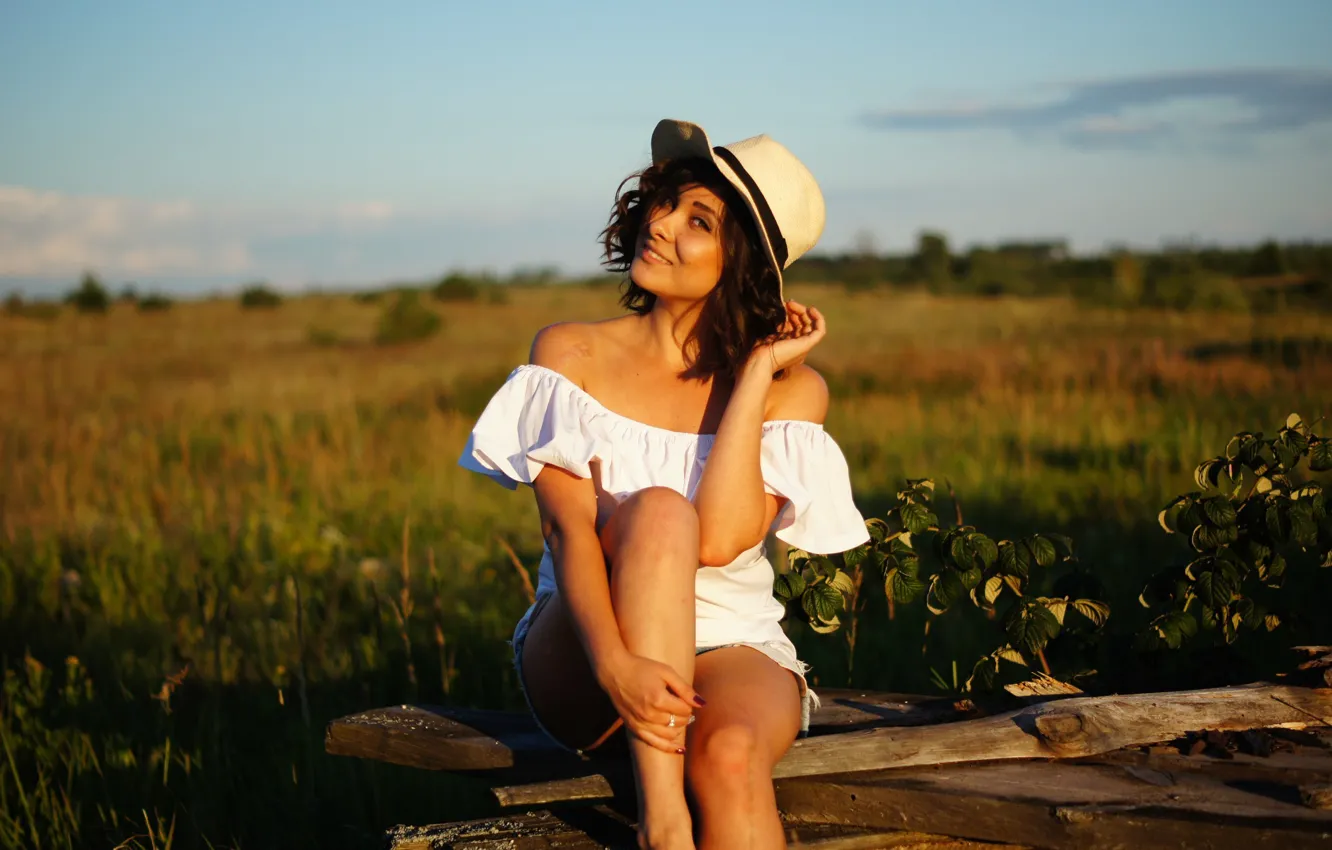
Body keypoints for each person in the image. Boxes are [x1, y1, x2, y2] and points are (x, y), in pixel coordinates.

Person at [459, 119, 870, 850]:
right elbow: (566, 531)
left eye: (698, 220)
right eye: (667, 202)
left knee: (733, 757)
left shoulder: (792, 392)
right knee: (656, 516)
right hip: (587, 642)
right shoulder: (570, 351)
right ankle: (664, 825)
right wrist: (617, 665)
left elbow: (718, 538)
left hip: (731, 646)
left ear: (739, 261)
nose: (660, 224)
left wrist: (751, 381)